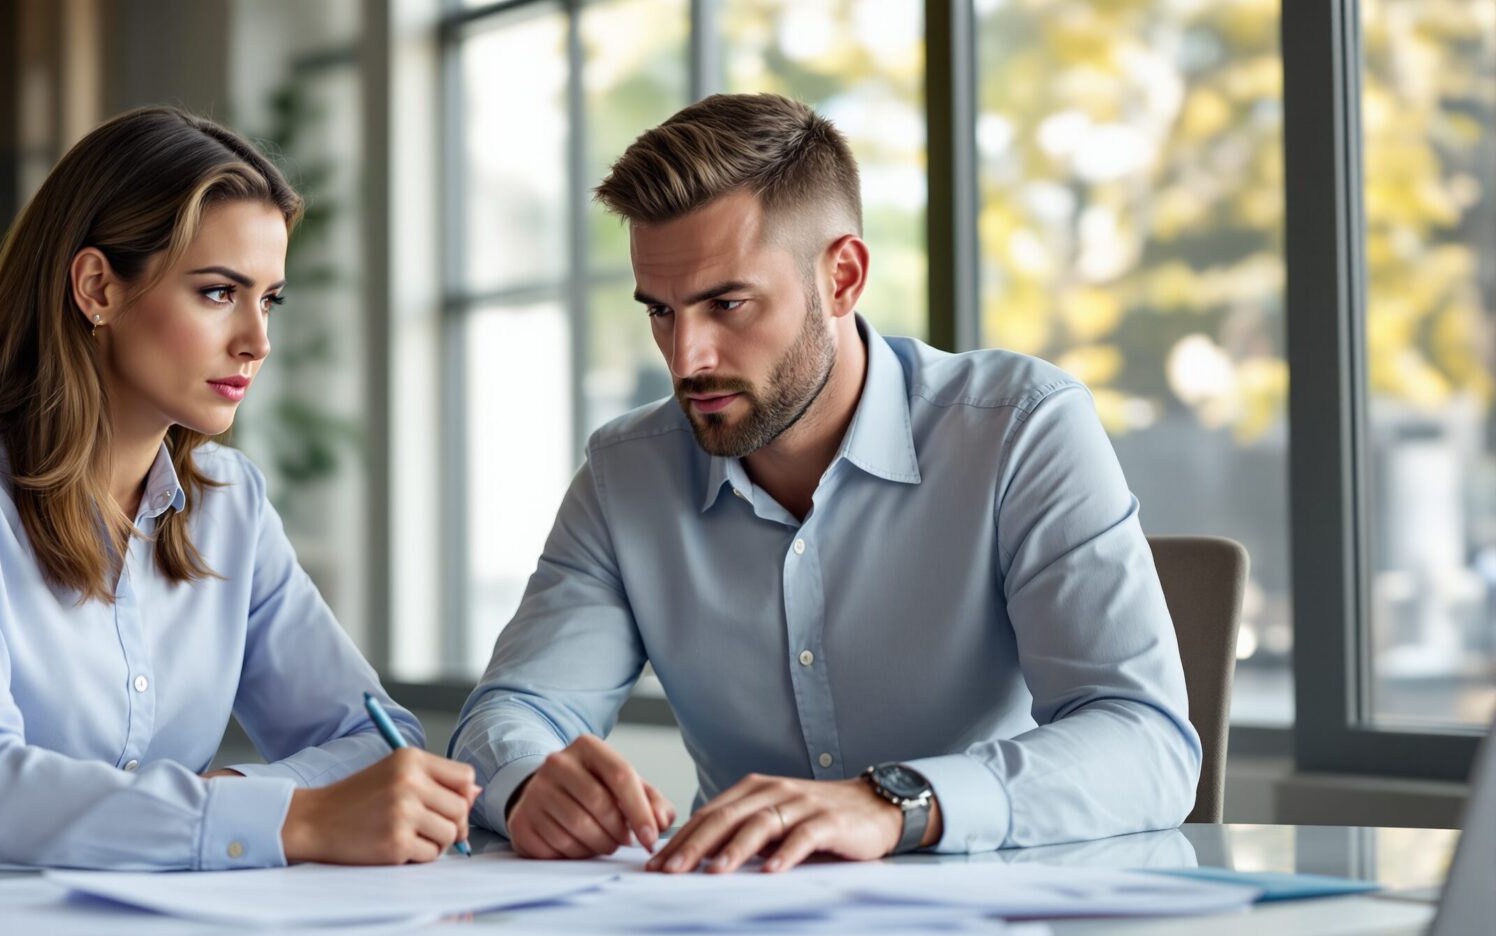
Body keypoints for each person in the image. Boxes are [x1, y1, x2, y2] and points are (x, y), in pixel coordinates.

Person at [448, 93, 1197, 873]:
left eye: (727, 303)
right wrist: (534, 780)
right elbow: (515, 709)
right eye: (661, 312)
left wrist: (896, 802)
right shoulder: (625, 474)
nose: (686, 358)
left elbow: (1144, 741)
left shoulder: (1019, 430)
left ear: (842, 277)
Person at [0, 106, 477, 871]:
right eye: (220, 292)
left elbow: (373, 741)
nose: (258, 341)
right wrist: (288, 818)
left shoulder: (229, 501)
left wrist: (234, 799)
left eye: (270, 299)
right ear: (97, 287)